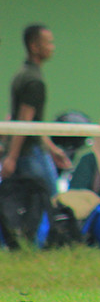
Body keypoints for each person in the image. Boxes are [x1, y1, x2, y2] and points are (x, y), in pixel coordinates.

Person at [1, 24, 71, 197]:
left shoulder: (22, 73)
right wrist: (12, 157)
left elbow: (32, 122)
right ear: (34, 46)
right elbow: (24, 123)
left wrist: (53, 150)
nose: (52, 47)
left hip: (29, 151)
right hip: (30, 154)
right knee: (49, 201)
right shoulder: (34, 81)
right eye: (48, 43)